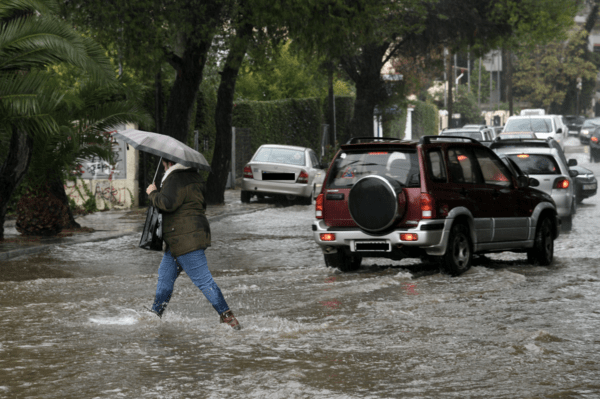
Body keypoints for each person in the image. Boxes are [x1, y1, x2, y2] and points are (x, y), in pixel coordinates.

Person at [145, 158, 241, 330]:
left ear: (167, 163)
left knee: (204, 280)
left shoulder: (175, 178)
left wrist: (152, 193)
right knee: (165, 277)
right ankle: (154, 316)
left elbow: (167, 204)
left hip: (184, 239)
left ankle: (229, 318)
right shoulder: (194, 176)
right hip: (183, 237)